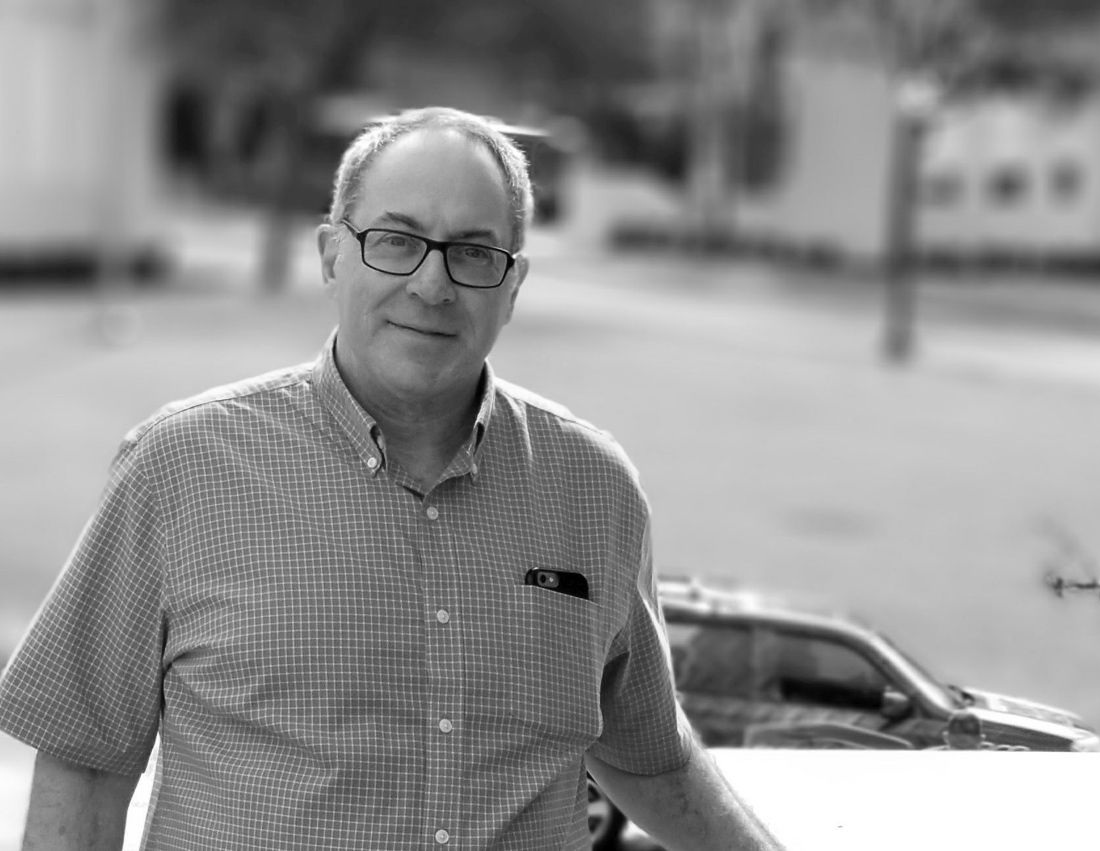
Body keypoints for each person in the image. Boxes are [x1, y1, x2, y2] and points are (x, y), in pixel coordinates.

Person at [0, 106, 785, 851]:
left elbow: (650, 754)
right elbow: (87, 761)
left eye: (474, 252)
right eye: (396, 241)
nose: (433, 286)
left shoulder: (595, 489)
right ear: (331, 255)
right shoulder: (181, 469)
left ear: (512, 287)